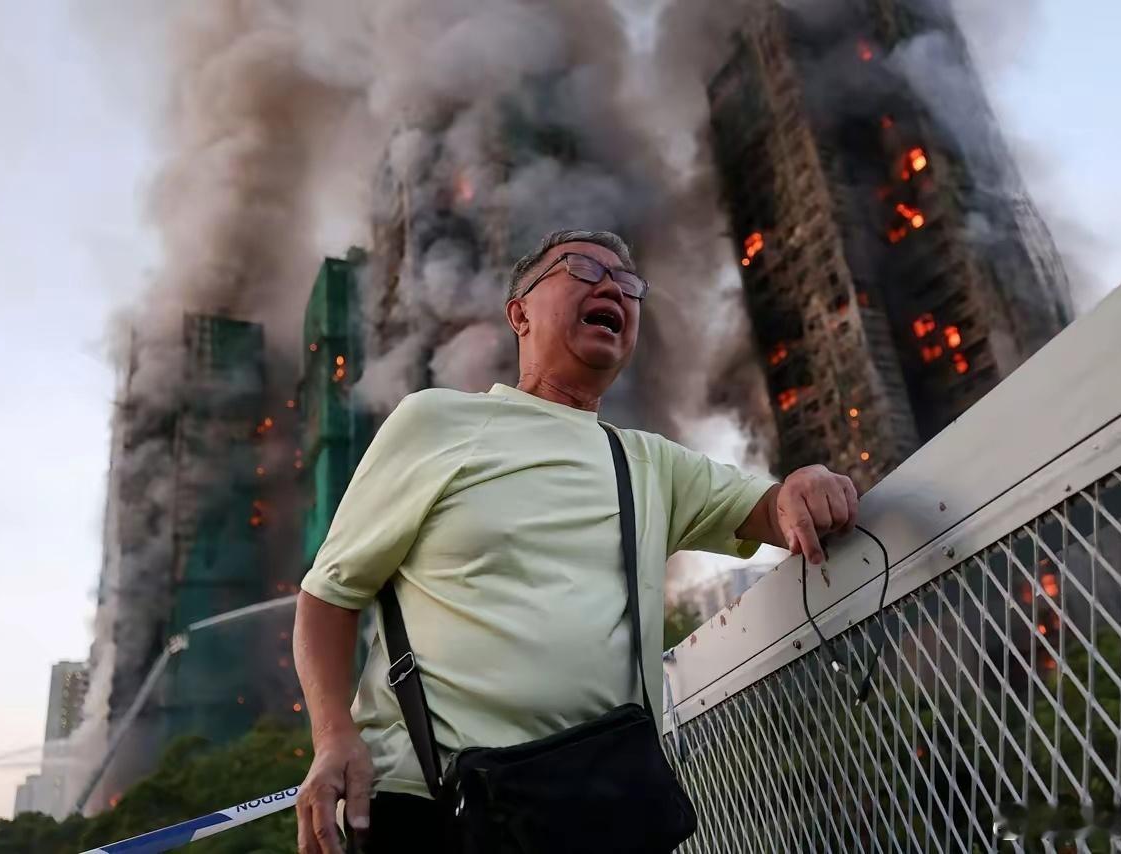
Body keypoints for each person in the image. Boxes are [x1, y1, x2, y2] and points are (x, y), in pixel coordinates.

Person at [293, 229, 859, 853]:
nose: (612, 285)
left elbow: (771, 508)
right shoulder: (436, 422)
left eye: (629, 283)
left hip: (600, 812)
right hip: (433, 806)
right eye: (583, 268)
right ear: (520, 313)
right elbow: (329, 595)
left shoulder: (650, 463)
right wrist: (332, 735)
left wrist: (805, 485)